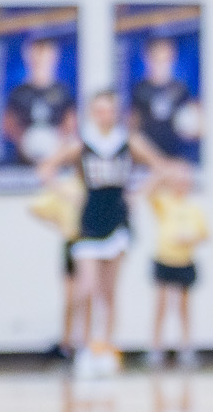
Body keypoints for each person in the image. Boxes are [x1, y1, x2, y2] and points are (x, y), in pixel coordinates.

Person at [40, 88, 167, 375]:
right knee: (85, 289)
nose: (104, 115)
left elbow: (160, 168)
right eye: (98, 109)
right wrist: (67, 194)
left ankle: (105, 347)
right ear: (91, 113)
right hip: (89, 219)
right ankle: (84, 347)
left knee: (108, 292)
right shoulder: (82, 143)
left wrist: (138, 194)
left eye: (109, 109)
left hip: (117, 218)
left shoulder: (128, 142)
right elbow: (46, 169)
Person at [147, 166, 208, 368]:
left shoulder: (193, 208)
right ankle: (156, 348)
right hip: (165, 258)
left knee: (183, 306)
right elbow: (148, 193)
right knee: (161, 305)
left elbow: (203, 234)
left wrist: (190, 238)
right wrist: (162, 172)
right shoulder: (164, 203)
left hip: (184, 260)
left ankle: (186, 347)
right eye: (178, 181)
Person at [27, 171, 84, 359]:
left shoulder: (96, 187)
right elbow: (35, 207)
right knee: (69, 299)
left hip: (92, 243)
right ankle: (67, 343)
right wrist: (59, 223)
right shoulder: (67, 186)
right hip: (72, 242)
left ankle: (87, 343)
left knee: (87, 296)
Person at [1, 35, 77, 169]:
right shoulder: (19, 93)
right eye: (36, 55)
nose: (40, 61)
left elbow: (71, 124)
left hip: (56, 161)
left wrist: (58, 144)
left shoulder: (63, 92)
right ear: (28, 57)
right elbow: (7, 124)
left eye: (44, 55)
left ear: (53, 57)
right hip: (24, 161)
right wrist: (22, 140)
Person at [130, 36, 201, 164]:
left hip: (177, 156)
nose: (162, 64)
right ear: (148, 58)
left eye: (166, 59)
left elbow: (198, 123)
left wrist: (194, 127)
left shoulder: (181, 89)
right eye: (157, 59)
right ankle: (161, 166)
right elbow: (133, 128)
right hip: (150, 158)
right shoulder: (140, 89)